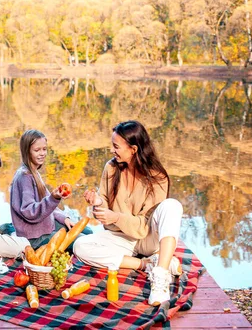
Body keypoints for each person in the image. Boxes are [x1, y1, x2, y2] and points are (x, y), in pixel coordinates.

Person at [73, 120, 183, 306]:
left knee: (172, 206)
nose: (112, 150)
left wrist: (115, 216)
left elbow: (142, 228)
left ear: (133, 149)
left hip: (148, 238)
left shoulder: (157, 177)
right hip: (122, 237)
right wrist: (98, 202)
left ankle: (160, 276)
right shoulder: (111, 167)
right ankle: (147, 265)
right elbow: (106, 205)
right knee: (80, 246)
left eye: (116, 146)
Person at [3, 129, 92, 251]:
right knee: (83, 241)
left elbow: (49, 208)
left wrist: (64, 218)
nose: (42, 153)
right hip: (34, 237)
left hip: (45, 226)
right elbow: (30, 212)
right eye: (37, 150)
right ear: (26, 151)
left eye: (44, 149)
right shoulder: (25, 177)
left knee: (87, 230)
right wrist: (53, 198)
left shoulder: (34, 173)